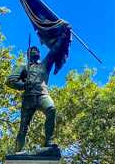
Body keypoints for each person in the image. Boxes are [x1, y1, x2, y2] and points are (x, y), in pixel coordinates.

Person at [6, 23, 72, 154]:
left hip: (42, 95)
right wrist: (23, 85)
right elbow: (9, 80)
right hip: (28, 97)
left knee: (51, 109)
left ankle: (48, 140)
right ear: (28, 54)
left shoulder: (45, 64)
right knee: (23, 127)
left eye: (38, 50)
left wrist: (65, 33)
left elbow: (56, 48)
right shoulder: (24, 68)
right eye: (32, 50)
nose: (36, 50)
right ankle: (17, 152)